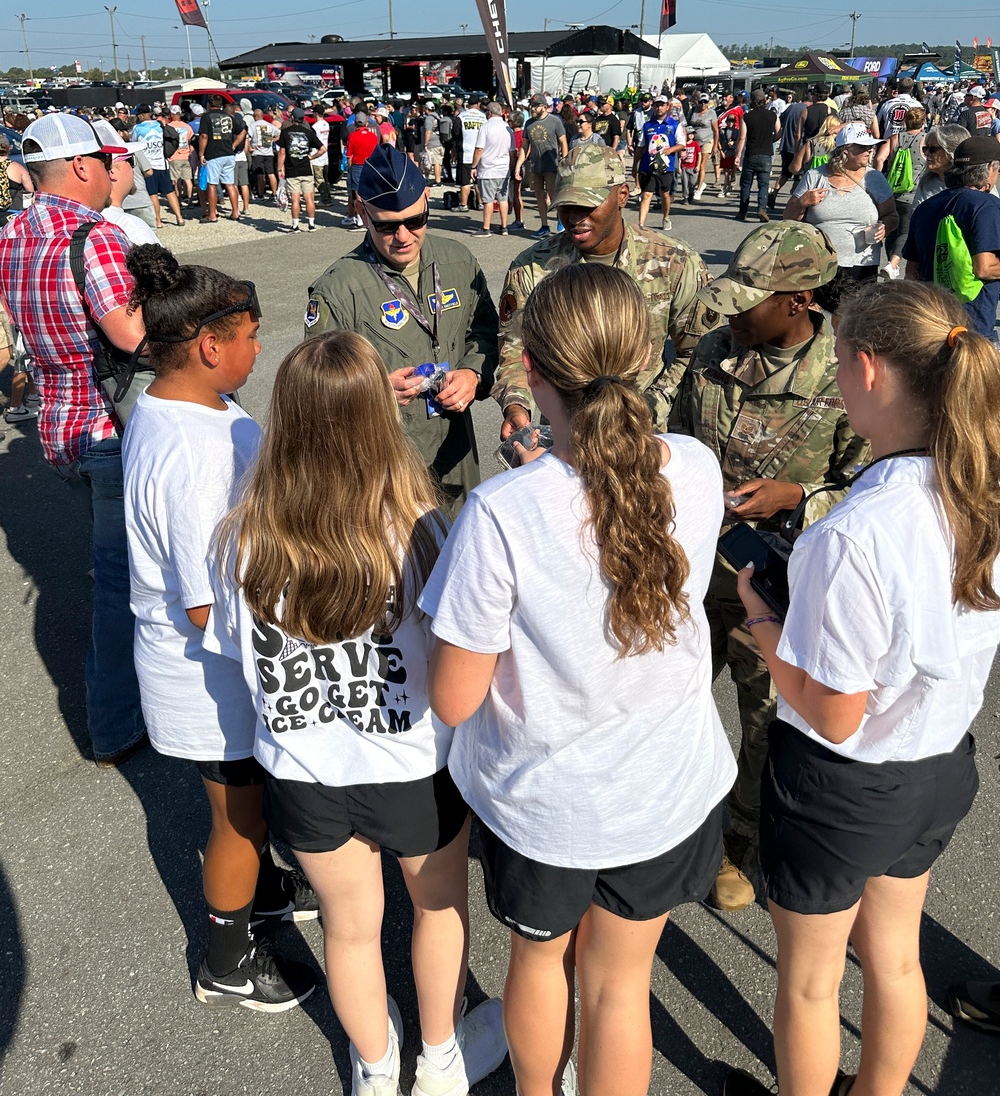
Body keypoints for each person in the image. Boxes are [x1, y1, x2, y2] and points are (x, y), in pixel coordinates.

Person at [421, 263, 737, 1096]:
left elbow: (454, 697)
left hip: (547, 804)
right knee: (619, 982)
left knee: (541, 960)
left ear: (528, 372)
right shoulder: (697, 468)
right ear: (648, 353)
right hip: (665, 785)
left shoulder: (500, 512)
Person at [206, 332, 508, 1093]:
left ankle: (375, 1067)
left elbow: (236, 657)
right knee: (437, 908)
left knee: (350, 924)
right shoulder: (425, 530)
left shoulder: (241, 536)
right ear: (381, 415)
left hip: (302, 767)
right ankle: (441, 1057)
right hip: (413, 762)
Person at [725, 280, 1000, 1096]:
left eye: (840, 361)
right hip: (938, 763)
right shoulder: (979, 488)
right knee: (896, 955)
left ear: (869, 370)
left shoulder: (854, 533)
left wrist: (766, 630)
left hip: (843, 787)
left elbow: (837, 713)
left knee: (811, 982)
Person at [120, 245, 318, 1012]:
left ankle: (263, 888)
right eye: (249, 335)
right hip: (208, 672)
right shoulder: (192, 453)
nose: (258, 347)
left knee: (251, 803)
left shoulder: (185, 405)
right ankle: (228, 957)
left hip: (217, 664)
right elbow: (209, 606)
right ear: (209, 346)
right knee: (235, 817)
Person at [670, 223, 869, 911]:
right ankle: (669, 820)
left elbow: (872, 489)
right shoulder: (713, 352)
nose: (732, 312)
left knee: (762, 720)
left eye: (750, 299)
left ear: (798, 301)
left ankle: (738, 841)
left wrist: (802, 499)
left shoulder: (848, 378)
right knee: (669, 698)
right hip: (691, 574)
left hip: (777, 590)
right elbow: (664, 429)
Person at [0, 113, 146, 765]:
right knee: (119, 581)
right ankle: (114, 722)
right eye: (107, 161)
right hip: (103, 426)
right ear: (85, 166)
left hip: (55, 428)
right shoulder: (95, 236)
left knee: (114, 562)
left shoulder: (13, 233)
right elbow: (130, 335)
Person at [304, 145, 498, 513]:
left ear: (427, 201)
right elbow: (316, 388)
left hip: (456, 454)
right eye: (387, 226)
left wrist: (473, 374)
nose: (404, 236)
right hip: (385, 464)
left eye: (416, 221)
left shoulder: (458, 261)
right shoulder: (337, 289)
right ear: (362, 212)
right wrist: (374, 391)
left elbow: (486, 333)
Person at [494, 142, 709, 440]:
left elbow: (697, 351)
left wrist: (648, 407)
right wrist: (517, 404)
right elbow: (516, 346)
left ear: (622, 195)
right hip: (563, 432)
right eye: (566, 206)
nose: (574, 217)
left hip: (642, 434)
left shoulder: (674, 262)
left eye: (588, 205)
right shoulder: (533, 266)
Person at [783, 122, 898, 307]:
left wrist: (885, 228)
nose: (870, 151)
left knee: (853, 321)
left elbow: (892, 216)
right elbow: (788, 218)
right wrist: (803, 202)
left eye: (871, 147)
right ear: (845, 150)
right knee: (814, 319)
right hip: (818, 263)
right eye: (863, 147)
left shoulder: (875, 178)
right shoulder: (815, 176)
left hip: (861, 265)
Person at [904, 133, 1000, 339]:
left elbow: (912, 272)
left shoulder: (925, 207)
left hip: (933, 323)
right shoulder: (985, 205)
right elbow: (984, 267)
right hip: (973, 326)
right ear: (990, 167)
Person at [881, 105, 926, 275]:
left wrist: (881, 178)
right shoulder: (926, 140)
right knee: (905, 231)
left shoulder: (894, 138)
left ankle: (890, 263)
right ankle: (893, 264)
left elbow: (879, 159)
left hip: (891, 192)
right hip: (913, 194)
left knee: (892, 229)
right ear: (923, 122)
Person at [513, 96, 567, 236]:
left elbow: (563, 142)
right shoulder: (529, 123)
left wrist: (564, 160)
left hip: (552, 165)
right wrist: (519, 165)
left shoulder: (555, 121)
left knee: (553, 196)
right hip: (535, 166)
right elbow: (525, 146)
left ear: (544, 106)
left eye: (536, 106)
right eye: (531, 105)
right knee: (539, 196)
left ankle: (561, 221)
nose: (532, 108)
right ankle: (544, 226)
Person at [637, 94, 686, 230]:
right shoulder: (647, 126)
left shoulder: (674, 125)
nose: (659, 108)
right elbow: (640, 146)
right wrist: (636, 164)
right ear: (653, 106)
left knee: (664, 194)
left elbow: (682, 144)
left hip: (666, 166)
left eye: (662, 105)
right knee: (646, 194)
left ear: (667, 107)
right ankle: (641, 224)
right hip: (648, 165)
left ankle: (665, 217)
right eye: (657, 105)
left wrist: (670, 150)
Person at [132, 105, 183, 228]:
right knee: (169, 191)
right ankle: (179, 218)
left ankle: (158, 221)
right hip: (162, 163)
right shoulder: (160, 125)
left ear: (142, 115)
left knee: (152, 194)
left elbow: (133, 144)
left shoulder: (138, 128)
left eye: (138, 115)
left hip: (148, 165)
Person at [197, 95, 245, 223]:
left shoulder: (206, 117)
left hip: (214, 154)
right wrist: (233, 145)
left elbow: (203, 136)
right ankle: (235, 212)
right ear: (221, 105)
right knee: (230, 184)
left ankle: (212, 215)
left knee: (212, 184)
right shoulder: (228, 117)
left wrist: (201, 154)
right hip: (229, 154)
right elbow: (242, 132)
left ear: (209, 105)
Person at [734, 90, 780, 223]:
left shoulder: (747, 116)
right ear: (765, 100)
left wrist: (738, 155)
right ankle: (761, 209)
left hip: (751, 153)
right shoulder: (772, 115)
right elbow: (779, 132)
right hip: (766, 153)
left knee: (746, 184)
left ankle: (743, 211)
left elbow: (742, 138)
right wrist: (770, 140)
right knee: (763, 184)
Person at [276, 106, 323, 232]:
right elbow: (323, 148)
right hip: (306, 169)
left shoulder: (285, 132)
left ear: (292, 117)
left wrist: (279, 168)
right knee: (309, 198)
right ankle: (311, 224)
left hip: (292, 169)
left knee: (295, 199)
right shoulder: (308, 132)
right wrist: (311, 157)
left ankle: (295, 225)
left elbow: (282, 152)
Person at [471, 101, 514, 235]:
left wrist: (473, 166)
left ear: (489, 113)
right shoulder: (507, 128)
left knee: (488, 200)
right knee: (503, 198)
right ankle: (504, 226)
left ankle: (486, 228)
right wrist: (511, 167)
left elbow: (479, 149)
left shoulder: (486, 127)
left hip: (488, 169)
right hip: (503, 168)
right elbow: (512, 151)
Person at [911, 122, 970, 208]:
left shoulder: (974, 186)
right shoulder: (926, 181)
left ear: (951, 152)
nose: (926, 153)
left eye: (932, 149)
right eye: (925, 148)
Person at [343, 111, 379, 228]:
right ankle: (371, 215)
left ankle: (360, 218)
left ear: (355, 123)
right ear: (366, 123)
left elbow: (349, 156)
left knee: (357, 193)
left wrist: (350, 169)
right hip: (371, 166)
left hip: (357, 166)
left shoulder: (352, 136)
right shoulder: (373, 136)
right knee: (370, 191)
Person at [456, 96, 487, 212]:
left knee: (465, 181)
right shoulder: (484, 117)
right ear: (478, 104)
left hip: (465, 153)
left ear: (467, 105)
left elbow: (455, 134)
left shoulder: (461, 117)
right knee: (478, 180)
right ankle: (481, 203)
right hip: (480, 154)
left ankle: (463, 205)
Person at [686, 93, 719, 200]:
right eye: (701, 102)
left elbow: (716, 130)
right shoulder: (693, 111)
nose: (703, 104)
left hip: (707, 140)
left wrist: (715, 146)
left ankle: (699, 189)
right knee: (694, 164)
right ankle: (699, 183)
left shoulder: (711, 113)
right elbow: (686, 125)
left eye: (705, 102)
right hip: (694, 141)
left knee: (701, 165)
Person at [0, 133, 33, 227]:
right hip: (12, 214)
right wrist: (26, 208)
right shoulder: (18, 168)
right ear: (9, 148)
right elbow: (29, 191)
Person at [166, 105, 195, 205]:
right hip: (186, 155)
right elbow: (191, 142)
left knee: (176, 180)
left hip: (174, 156)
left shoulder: (169, 127)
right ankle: (190, 201)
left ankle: (179, 201)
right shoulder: (187, 127)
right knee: (188, 180)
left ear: (171, 114)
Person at [421, 101, 444, 187]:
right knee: (439, 161)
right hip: (439, 142)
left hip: (433, 143)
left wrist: (425, 144)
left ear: (427, 109)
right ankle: (438, 178)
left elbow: (428, 132)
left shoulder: (429, 119)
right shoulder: (438, 116)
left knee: (435, 162)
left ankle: (437, 181)